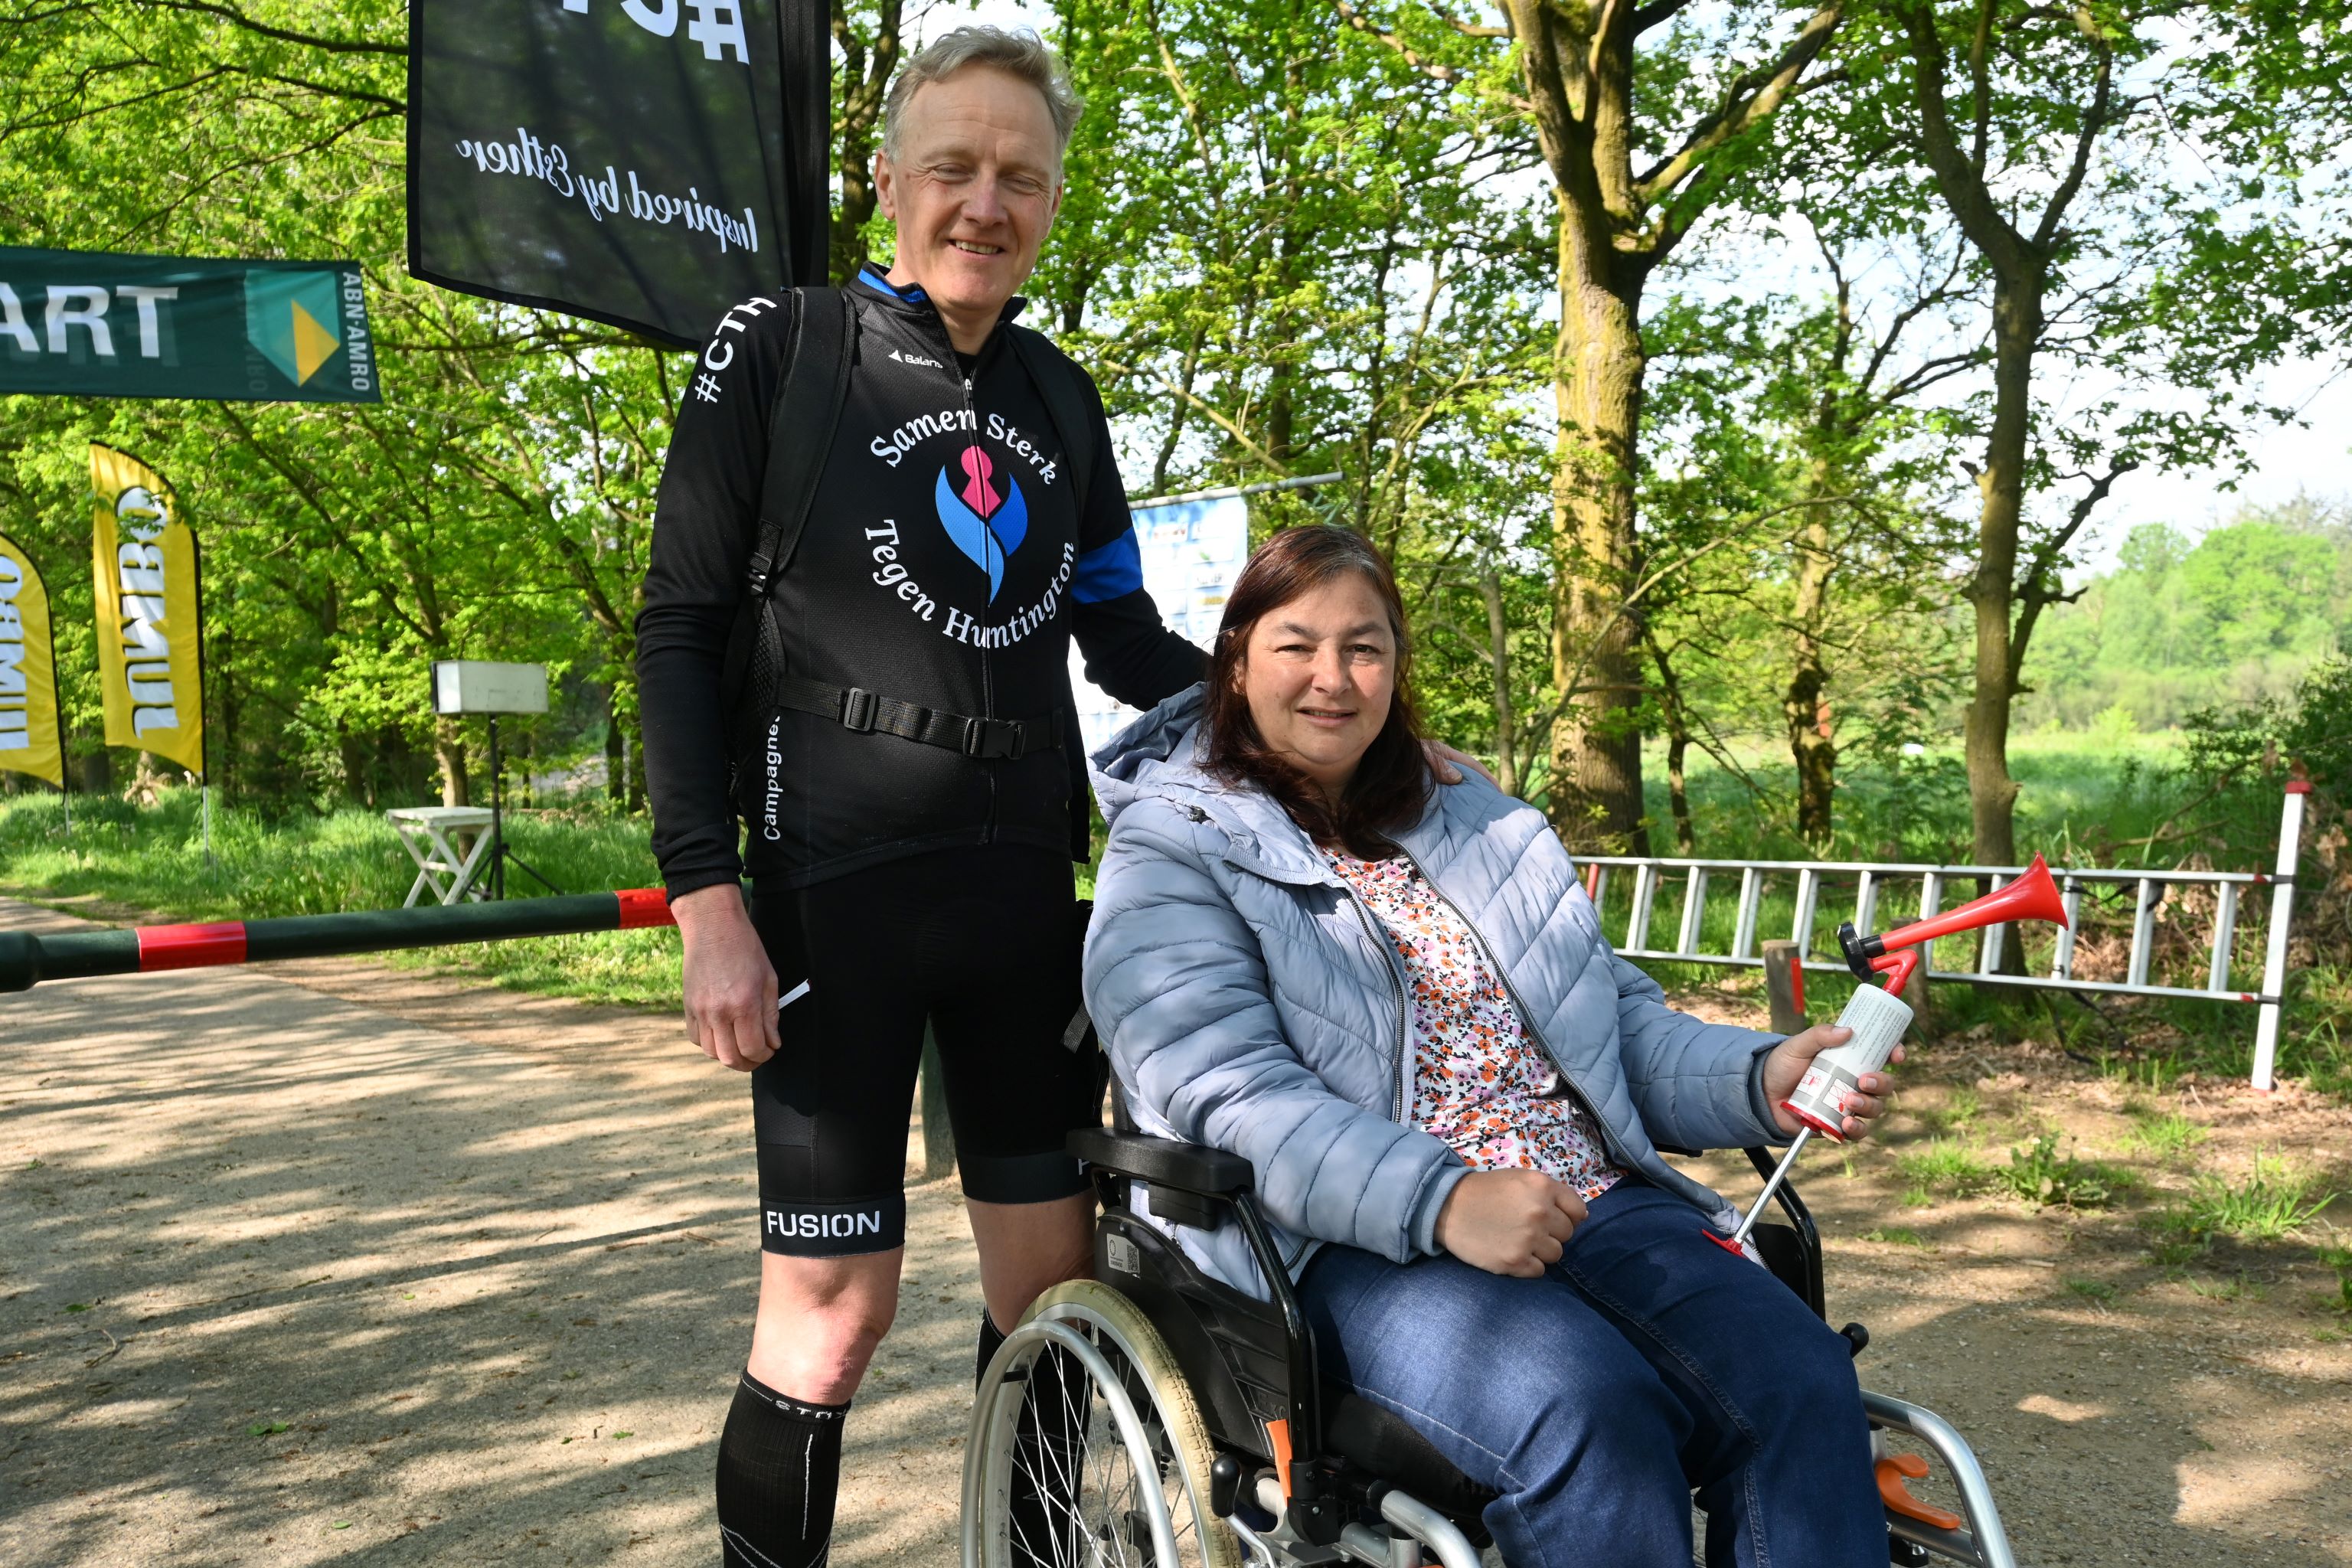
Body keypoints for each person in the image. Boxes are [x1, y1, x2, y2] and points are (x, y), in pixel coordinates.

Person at [633, 28, 1207, 1568]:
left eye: (1022, 176)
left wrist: (1330, 721)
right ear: (889, 180)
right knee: (831, 1317)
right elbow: (679, 626)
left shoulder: (1062, 397)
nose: (985, 202)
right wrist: (705, 903)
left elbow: (1125, 638)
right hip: (835, 896)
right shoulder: (782, 345)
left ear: (1055, 202)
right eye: (953, 166)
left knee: (1055, 1301)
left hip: (1024, 900)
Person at [1081, 524, 1903, 1567]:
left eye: (1365, 647)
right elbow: (1230, 1096)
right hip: (1345, 1243)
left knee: (1800, 1379)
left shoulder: (1475, 819)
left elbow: (1606, 1023)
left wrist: (1754, 1076)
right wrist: (1445, 1199)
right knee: (1587, 1412)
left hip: (1586, 1199)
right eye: (1297, 645)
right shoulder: (1170, 847)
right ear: (1237, 662)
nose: (1333, 677)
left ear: (1396, 668)